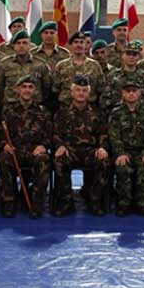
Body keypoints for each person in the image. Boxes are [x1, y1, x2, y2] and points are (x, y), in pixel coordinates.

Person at [52, 76, 109, 216]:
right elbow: (55, 133)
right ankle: (66, 201)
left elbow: (103, 133)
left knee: (104, 162)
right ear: (72, 93)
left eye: (84, 90)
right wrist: (60, 145)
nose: (81, 93)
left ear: (88, 94)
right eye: (78, 90)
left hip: (90, 150)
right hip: (70, 150)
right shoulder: (62, 113)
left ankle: (94, 200)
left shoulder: (97, 113)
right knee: (59, 162)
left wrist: (102, 147)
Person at [0, 76, 52, 217]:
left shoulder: (43, 111)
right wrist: (4, 145)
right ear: (18, 89)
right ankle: (10, 201)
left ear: (35, 90)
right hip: (14, 150)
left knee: (43, 160)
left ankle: (36, 202)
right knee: (3, 159)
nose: (27, 90)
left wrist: (43, 146)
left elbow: (49, 134)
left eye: (30, 87)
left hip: (34, 150)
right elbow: (1, 134)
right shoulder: (8, 111)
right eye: (24, 86)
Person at [109, 79, 144, 217]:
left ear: (140, 93)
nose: (131, 94)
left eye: (134, 91)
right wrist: (119, 153)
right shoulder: (116, 113)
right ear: (122, 94)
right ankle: (124, 203)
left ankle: (142, 204)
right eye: (128, 91)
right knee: (123, 167)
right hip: (124, 151)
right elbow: (114, 136)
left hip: (142, 152)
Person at [0, 30, 52, 108]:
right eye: (18, 43)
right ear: (13, 46)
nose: (21, 46)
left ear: (30, 46)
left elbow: (47, 88)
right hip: (11, 109)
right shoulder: (5, 64)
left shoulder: (40, 64)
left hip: (35, 109)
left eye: (24, 43)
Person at [52, 31, 104, 107]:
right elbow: (55, 90)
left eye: (81, 42)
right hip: (66, 109)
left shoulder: (95, 65)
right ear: (71, 45)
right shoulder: (61, 65)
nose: (79, 45)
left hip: (89, 111)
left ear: (85, 45)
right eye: (76, 42)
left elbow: (101, 89)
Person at [101, 41, 144, 112]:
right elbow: (104, 99)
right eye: (128, 54)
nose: (131, 57)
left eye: (134, 54)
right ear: (122, 55)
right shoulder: (112, 75)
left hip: (140, 117)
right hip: (117, 116)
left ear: (139, 57)